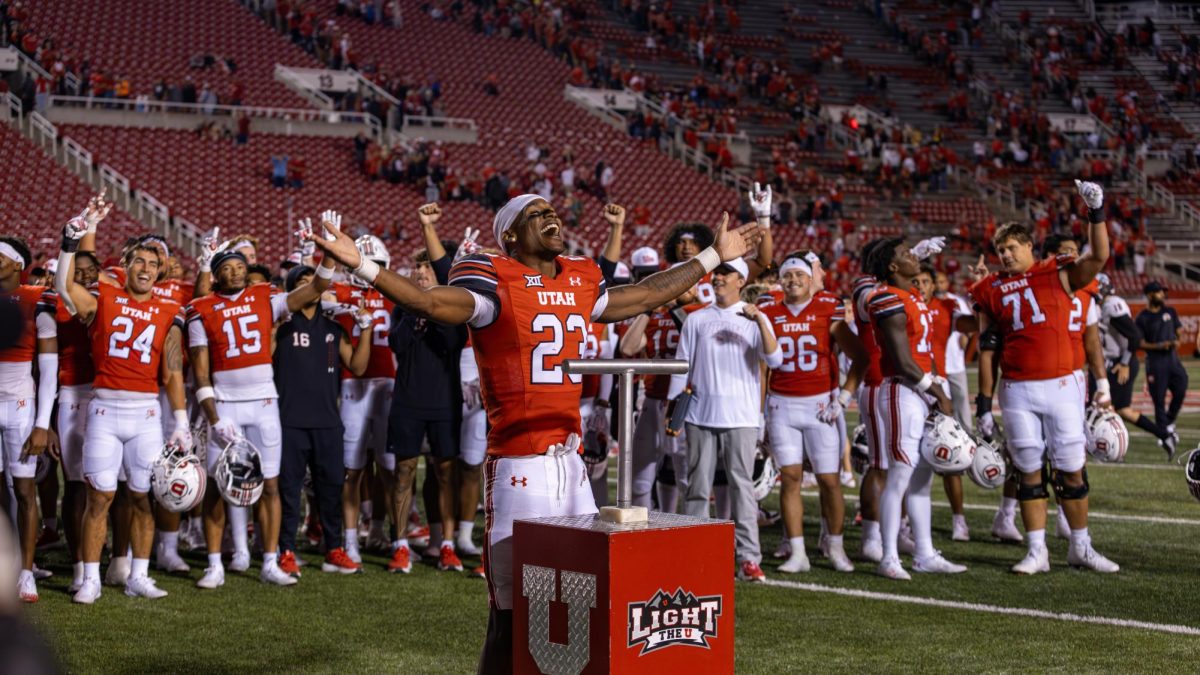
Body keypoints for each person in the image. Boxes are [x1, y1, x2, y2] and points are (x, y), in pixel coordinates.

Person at [304, 195, 760, 675]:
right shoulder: (493, 276)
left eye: (553, 211)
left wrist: (712, 257)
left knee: (585, 600)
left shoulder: (582, 275)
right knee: (510, 613)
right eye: (536, 215)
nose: (552, 218)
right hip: (519, 465)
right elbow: (431, 301)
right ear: (511, 236)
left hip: (571, 463)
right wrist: (363, 267)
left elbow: (647, 295)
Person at [972, 180, 1117, 575]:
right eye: (1000, 250)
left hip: (1062, 384)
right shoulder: (990, 288)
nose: (1005, 255)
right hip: (1017, 389)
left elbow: (1099, 256)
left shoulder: (1057, 272)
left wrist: (1096, 212)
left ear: (1029, 248)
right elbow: (987, 346)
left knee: (1071, 466)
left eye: (1011, 248)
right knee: (1027, 468)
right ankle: (1037, 550)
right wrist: (984, 404)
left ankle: (1081, 546)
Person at [185, 221, 338, 589]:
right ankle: (214, 563)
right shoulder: (202, 309)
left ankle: (269, 561)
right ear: (217, 276)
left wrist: (329, 252)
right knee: (218, 489)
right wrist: (214, 417)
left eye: (240, 266)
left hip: (265, 402)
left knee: (270, 486)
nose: (236, 272)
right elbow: (200, 374)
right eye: (227, 268)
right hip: (226, 406)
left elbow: (317, 286)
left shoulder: (265, 298)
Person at [55, 194, 192, 603]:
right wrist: (70, 241)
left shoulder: (169, 313)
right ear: (126, 267)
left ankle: (138, 575)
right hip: (104, 410)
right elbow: (65, 287)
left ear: (160, 273)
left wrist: (181, 421)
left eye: (153, 265)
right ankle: (92, 579)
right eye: (139, 263)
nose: (146, 270)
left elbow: (171, 371)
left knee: (142, 496)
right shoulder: (106, 298)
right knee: (99, 497)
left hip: (147, 413)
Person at [668, 256, 782, 582]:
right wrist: (675, 414)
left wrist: (760, 320)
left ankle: (749, 558)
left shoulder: (754, 319)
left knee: (742, 490)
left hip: (742, 416)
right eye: (717, 273)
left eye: (726, 274)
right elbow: (681, 368)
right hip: (700, 414)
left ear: (740, 281)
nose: (718, 278)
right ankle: (696, 555)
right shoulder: (697, 320)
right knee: (697, 490)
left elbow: (775, 358)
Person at [864, 239, 963, 580]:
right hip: (903, 390)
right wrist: (937, 393)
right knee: (900, 475)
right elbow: (902, 361)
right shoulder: (886, 298)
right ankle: (889, 556)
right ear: (892, 268)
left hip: (923, 387)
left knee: (922, 478)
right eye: (906, 255)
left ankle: (924, 552)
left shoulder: (911, 295)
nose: (914, 257)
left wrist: (936, 388)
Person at [761, 252, 865, 573]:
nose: (793, 280)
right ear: (780, 280)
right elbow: (763, 366)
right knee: (790, 479)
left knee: (830, 480)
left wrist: (844, 396)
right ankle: (797, 552)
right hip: (781, 405)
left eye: (799, 275)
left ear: (810, 280)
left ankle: (834, 547)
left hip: (821, 405)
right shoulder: (769, 312)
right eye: (787, 275)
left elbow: (859, 356)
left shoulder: (827, 309)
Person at [381, 206, 467, 574]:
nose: (418, 273)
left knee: (445, 472)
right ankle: (400, 544)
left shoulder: (453, 306)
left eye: (425, 268)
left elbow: (451, 341)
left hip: (445, 400)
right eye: (416, 269)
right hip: (408, 399)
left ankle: (445, 544)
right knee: (403, 471)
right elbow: (397, 344)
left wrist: (431, 309)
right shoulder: (402, 308)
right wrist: (414, 309)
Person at [274, 264, 372, 573]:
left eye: (316, 281)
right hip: (289, 420)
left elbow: (357, 366)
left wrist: (366, 329)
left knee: (331, 488)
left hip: (328, 421)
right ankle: (286, 549)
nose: (314, 287)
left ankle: (333, 549)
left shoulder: (333, 328)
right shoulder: (282, 326)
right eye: (304, 283)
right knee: (288, 490)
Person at [0, 236, 55, 603]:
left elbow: (49, 369)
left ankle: (26, 572)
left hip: (20, 402)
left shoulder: (37, 300)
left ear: (17, 265)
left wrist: (42, 422)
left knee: (24, 490)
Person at [1095, 274, 1176, 457]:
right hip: (1114, 361)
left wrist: (1124, 363)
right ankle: (1165, 435)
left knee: (1100, 406)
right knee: (1124, 410)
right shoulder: (1099, 306)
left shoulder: (1111, 305)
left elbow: (1134, 337)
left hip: (1120, 363)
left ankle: (1110, 447)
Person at [1136, 280, 1188, 456]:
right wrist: (1159, 345)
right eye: (1159, 292)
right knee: (1158, 400)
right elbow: (1140, 343)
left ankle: (1169, 421)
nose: (1162, 295)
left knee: (1181, 386)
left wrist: (1177, 339)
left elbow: (1179, 330)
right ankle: (1163, 434)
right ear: (1150, 295)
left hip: (1172, 360)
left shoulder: (1170, 311)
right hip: (1155, 363)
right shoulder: (1142, 317)